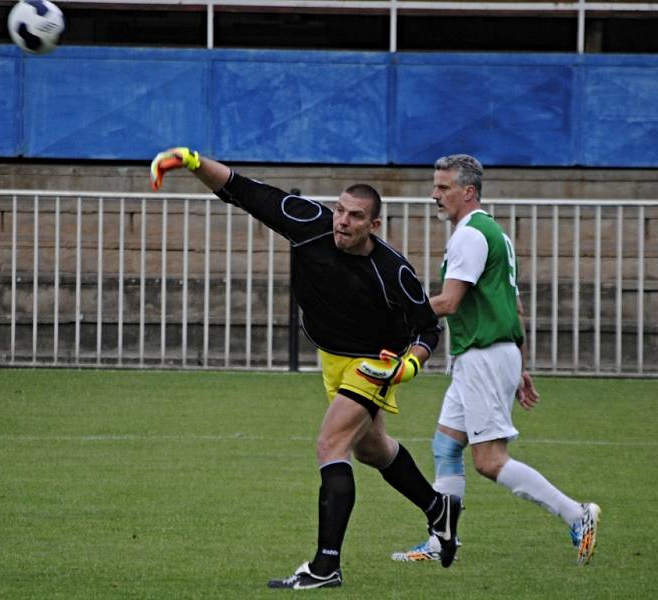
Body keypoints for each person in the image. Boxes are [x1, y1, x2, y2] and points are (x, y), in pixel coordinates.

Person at [150, 147, 462, 589]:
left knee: (330, 445)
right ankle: (438, 508)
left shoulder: (394, 271)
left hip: (374, 363)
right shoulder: (309, 223)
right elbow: (242, 190)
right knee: (371, 449)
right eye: (339, 210)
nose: (342, 221)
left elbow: (428, 329)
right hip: (331, 357)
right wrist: (192, 161)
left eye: (355, 216)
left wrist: (408, 366)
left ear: (374, 225)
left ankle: (325, 566)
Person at [391, 154, 600, 566]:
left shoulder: (470, 235)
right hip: (486, 354)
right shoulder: (494, 233)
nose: (435, 195)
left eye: (443, 187)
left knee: (489, 461)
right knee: (445, 446)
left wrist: (395, 315)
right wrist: (520, 364)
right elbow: (515, 304)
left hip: (484, 356)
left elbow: (449, 302)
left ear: (468, 192)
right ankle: (440, 541)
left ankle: (577, 514)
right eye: (435, 186)